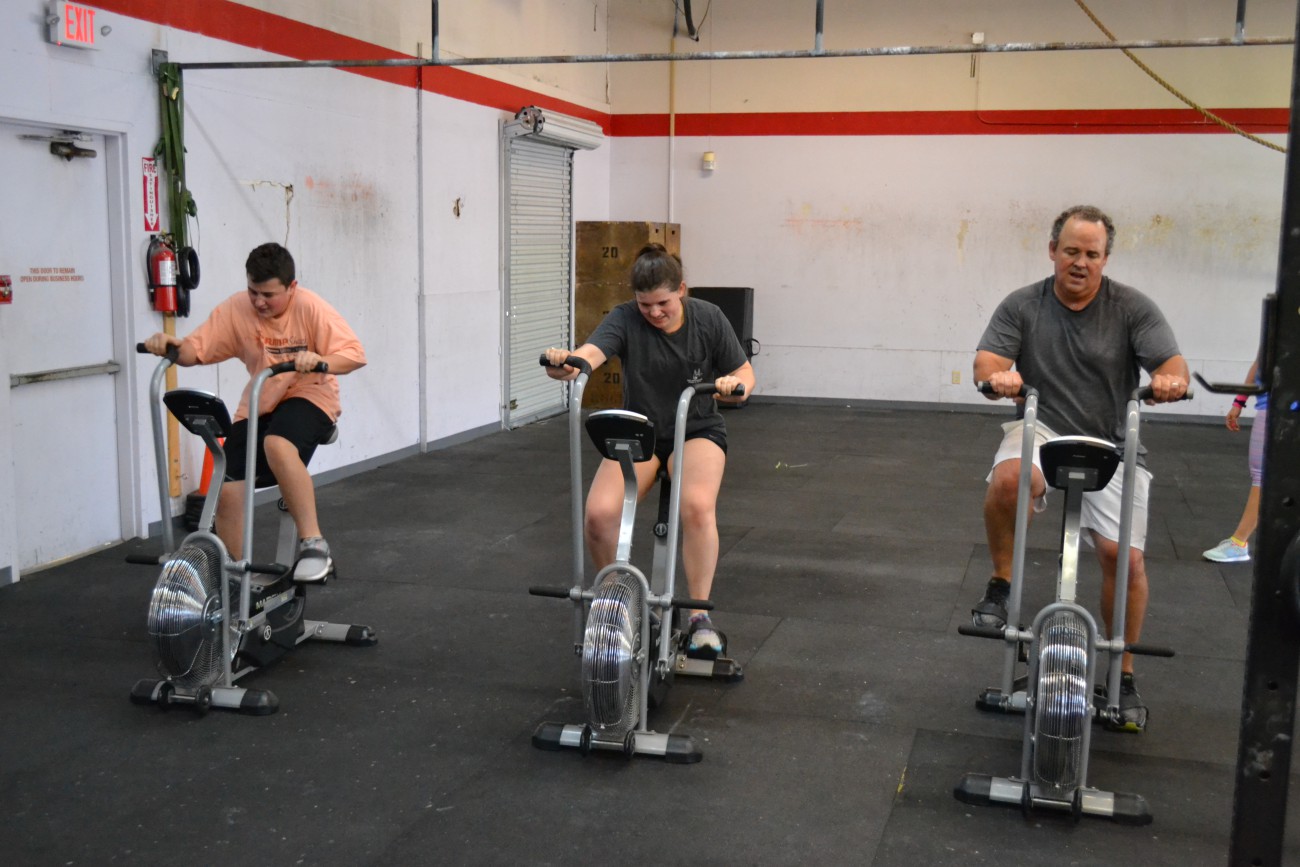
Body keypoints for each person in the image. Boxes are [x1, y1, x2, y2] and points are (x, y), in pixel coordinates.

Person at [971, 205, 1189, 732]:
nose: (1080, 262)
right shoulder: (1023, 304)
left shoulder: (1132, 308)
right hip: (1043, 428)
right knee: (1010, 478)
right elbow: (986, 361)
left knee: (1125, 560)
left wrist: (1169, 380)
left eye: (1092, 254)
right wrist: (1000, 377)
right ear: (1053, 251)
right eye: (1071, 251)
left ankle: (1122, 675)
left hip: (1112, 441)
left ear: (1105, 258)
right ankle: (1002, 584)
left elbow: (1172, 364)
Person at [543, 243, 755, 659]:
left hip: (696, 429)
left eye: (663, 303)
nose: (654, 313)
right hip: (642, 434)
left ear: (682, 290)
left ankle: (698, 617)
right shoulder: (624, 317)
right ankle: (618, 605)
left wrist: (736, 385)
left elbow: (744, 370)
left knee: (696, 505)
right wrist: (563, 363)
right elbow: (587, 357)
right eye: (645, 305)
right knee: (599, 515)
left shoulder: (709, 318)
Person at [143, 242, 366, 582]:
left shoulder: (309, 307)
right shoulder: (237, 309)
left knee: (276, 444)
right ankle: (234, 576)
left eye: (268, 295)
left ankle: (314, 545)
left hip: (310, 394)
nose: (259, 302)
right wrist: (171, 346)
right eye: (253, 292)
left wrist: (320, 360)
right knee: (227, 483)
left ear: (291, 287)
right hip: (262, 400)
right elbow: (194, 351)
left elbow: (353, 354)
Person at [1203, 358, 1267, 563]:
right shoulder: (1275, 336)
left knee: (1263, 476)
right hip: (1272, 404)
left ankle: (1239, 543)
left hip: (1282, 406)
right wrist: (1239, 401)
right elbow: (1260, 362)